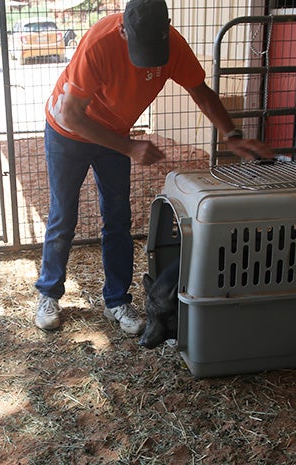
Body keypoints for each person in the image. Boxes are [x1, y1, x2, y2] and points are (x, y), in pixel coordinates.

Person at [34, 0, 272, 334]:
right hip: (68, 132)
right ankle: (48, 293)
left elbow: (201, 92)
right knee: (64, 214)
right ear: (122, 30)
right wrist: (130, 147)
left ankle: (116, 300)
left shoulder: (172, 43)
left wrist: (231, 135)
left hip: (114, 134)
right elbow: (72, 113)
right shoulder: (98, 44)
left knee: (118, 216)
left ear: (167, 27)